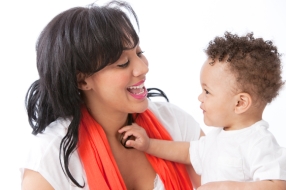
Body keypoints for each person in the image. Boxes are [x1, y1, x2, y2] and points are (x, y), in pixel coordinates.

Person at [21, 1, 204, 189]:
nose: (143, 68)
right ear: (82, 80)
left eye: (139, 53)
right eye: (123, 63)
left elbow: (223, 178)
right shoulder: (49, 158)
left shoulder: (175, 123)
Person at [119, 32, 286, 189]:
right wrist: (149, 145)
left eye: (207, 92)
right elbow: (186, 152)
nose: (200, 97)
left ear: (240, 103)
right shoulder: (217, 138)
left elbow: (278, 185)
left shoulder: (258, 142)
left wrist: (226, 187)